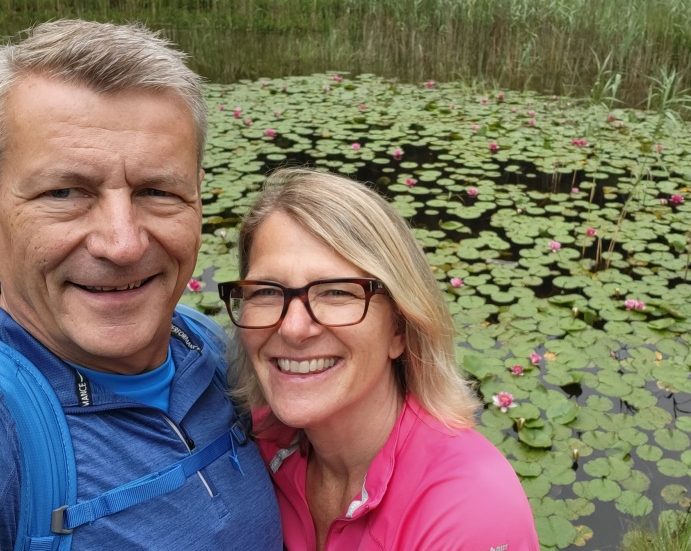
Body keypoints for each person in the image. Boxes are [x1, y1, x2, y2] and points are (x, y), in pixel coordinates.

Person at [0, 20, 281, 550]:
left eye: (157, 191)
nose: (122, 244)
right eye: (64, 192)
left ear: (198, 199)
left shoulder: (210, 346)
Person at [219, 168, 539, 550]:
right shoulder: (248, 441)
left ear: (399, 328)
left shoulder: (471, 512)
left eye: (337, 292)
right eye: (266, 292)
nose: (293, 328)